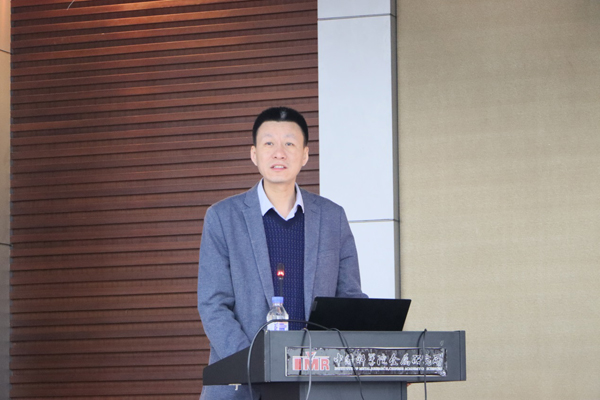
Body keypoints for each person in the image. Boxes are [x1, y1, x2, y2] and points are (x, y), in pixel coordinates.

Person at [197, 107, 366, 400]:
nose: (279, 153)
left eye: (289, 143)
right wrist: (255, 365)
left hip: (315, 383)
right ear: (254, 154)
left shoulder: (332, 217)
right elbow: (213, 304)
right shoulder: (223, 218)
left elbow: (349, 299)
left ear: (305, 155)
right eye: (269, 143)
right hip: (243, 385)